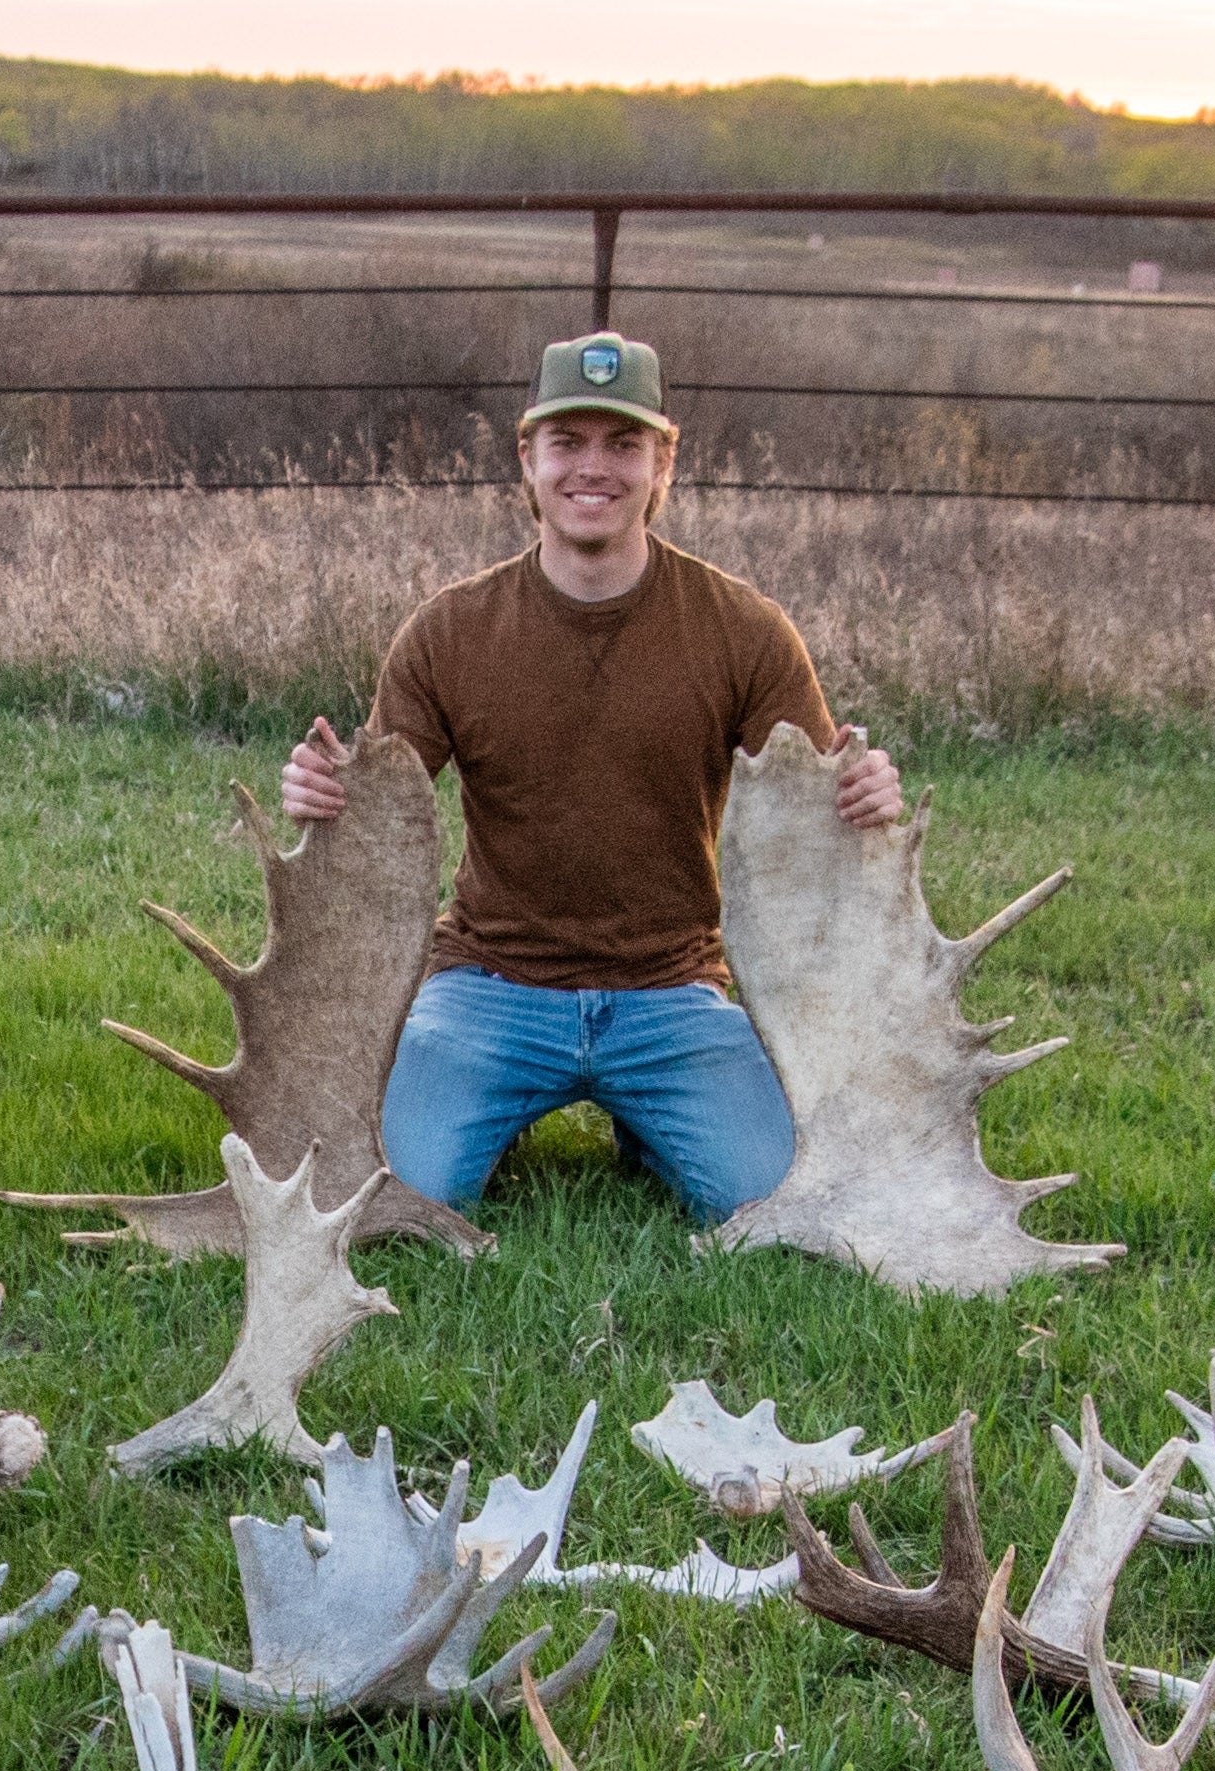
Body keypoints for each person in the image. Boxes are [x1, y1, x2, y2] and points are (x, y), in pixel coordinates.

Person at [280, 331, 902, 1222]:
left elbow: (822, 808)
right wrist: (323, 794)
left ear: (664, 467)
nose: (593, 469)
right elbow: (376, 817)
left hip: (673, 990)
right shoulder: (447, 634)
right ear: (526, 462)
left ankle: (648, 1120)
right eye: (567, 443)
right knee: (399, 1196)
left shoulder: (744, 630)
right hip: (491, 985)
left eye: (623, 444)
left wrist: (865, 799)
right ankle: (500, 1107)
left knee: (770, 1196)